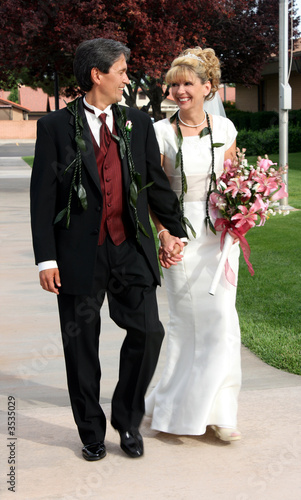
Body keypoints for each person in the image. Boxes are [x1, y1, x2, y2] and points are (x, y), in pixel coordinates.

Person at [30, 38, 186, 461]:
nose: (126, 78)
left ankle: (126, 419)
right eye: (120, 70)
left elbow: (154, 183)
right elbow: (42, 198)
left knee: (149, 332)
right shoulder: (55, 127)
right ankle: (91, 432)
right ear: (97, 75)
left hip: (129, 247)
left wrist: (173, 231)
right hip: (78, 255)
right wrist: (46, 258)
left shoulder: (137, 122)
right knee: (81, 347)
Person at [146, 47, 242, 442]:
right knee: (187, 324)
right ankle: (176, 409)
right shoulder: (160, 132)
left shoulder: (225, 130)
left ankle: (222, 413)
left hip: (220, 236)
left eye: (188, 83)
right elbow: (152, 191)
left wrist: (244, 213)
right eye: (175, 83)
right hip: (180, 236)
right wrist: (165, 234)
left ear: (209, 87)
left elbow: (237, 182)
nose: (180, 90)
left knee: (223, 319)